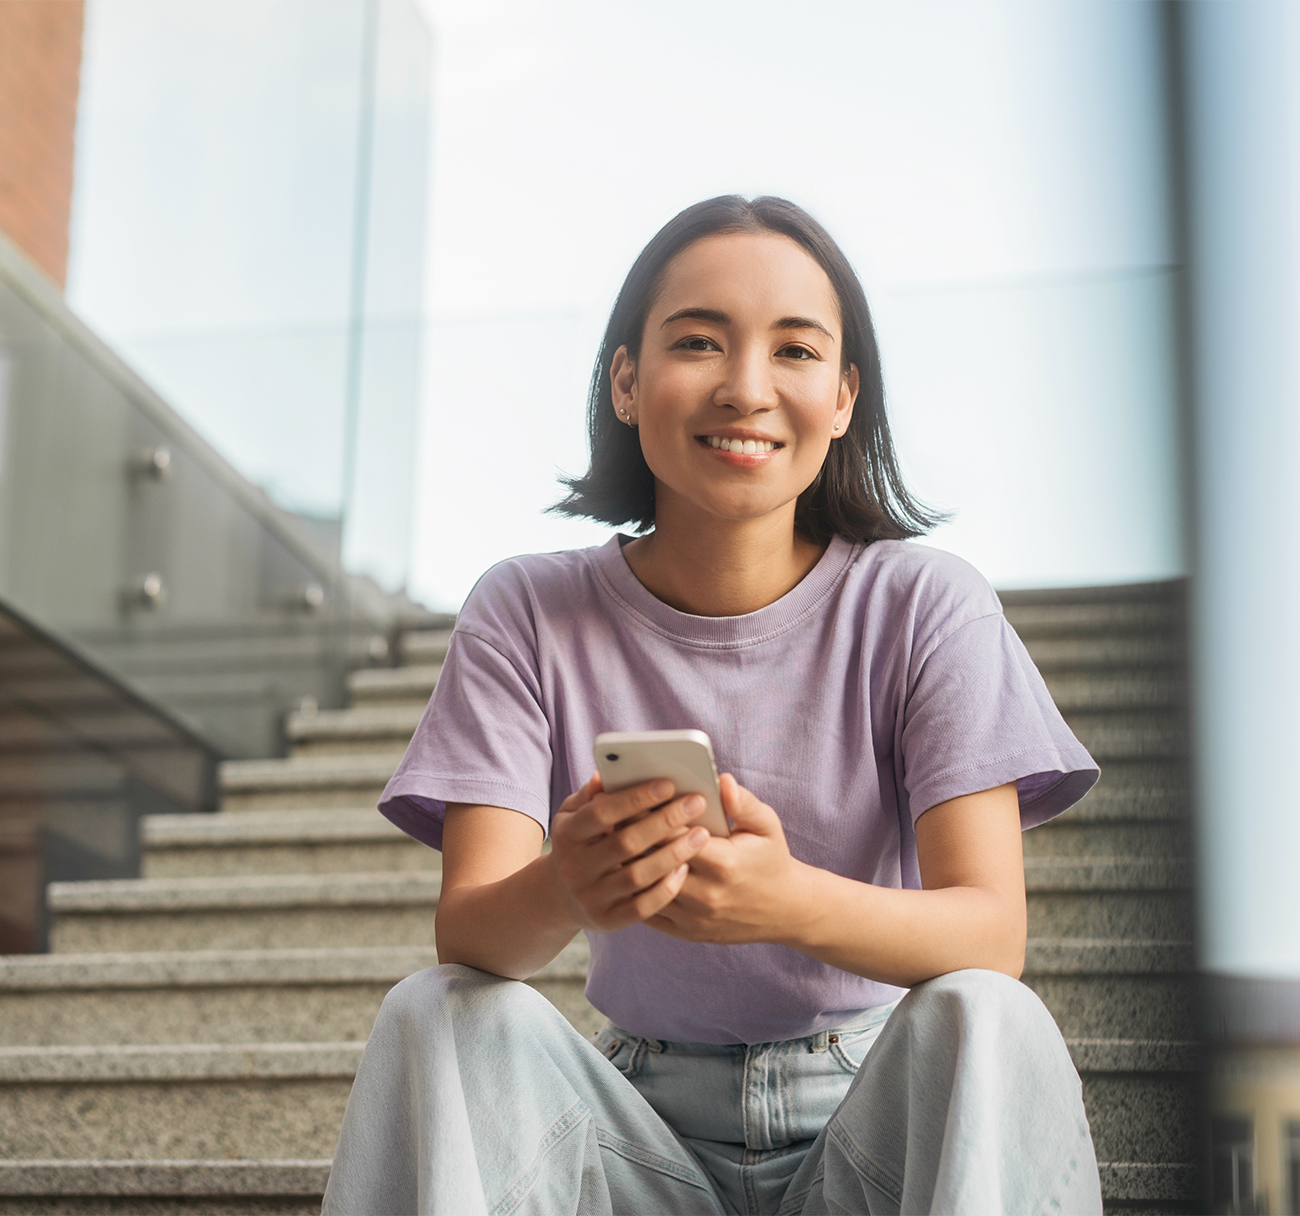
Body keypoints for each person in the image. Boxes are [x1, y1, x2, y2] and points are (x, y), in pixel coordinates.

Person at [321, 196, 1105, 1216]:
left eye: (794, 350)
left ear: (841, 395)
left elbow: (992, 933)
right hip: (630, 1133)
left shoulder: (925, 604)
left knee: (988, 1017)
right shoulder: (524, 610)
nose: (744, 389)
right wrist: (567, 882)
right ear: (627, 381)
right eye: (697, 341)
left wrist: (785, 903)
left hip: (874, 1121)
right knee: (435, 1011)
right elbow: (470, 933)